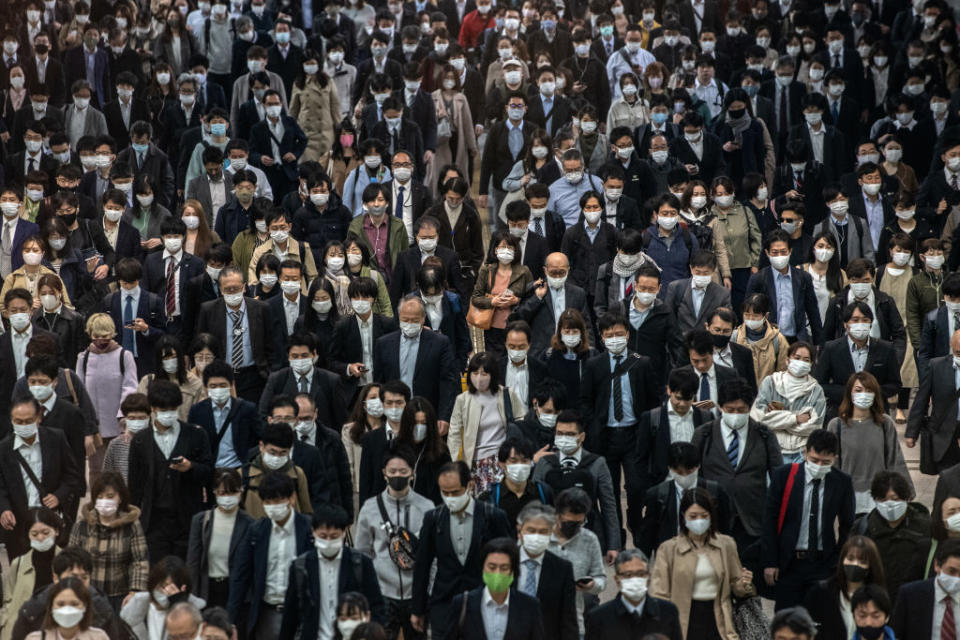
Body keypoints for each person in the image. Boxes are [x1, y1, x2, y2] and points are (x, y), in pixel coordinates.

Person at [579, 311, 658, 542]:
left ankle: (635, 521)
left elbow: (653, 399)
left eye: (619, 334)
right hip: (605, 437)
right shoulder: (594, 365)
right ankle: (616, 538)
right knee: (609, 492)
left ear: (627, 334)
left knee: (636, 487)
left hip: (634, 435)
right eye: (609, 334)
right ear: (602, 338)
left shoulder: (642, 363)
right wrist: (593, 427)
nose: (614, 338)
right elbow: (585, 400)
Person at [409, 461, 513, 636]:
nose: (450, 497)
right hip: (444, 602)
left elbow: (511, 561)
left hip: (483, 602)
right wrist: (417, 608)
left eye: (455, 492)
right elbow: (422, 565)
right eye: (445, 493)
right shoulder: (433, 519)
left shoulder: (492, 516)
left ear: (470, 485)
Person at [761, 429, 856, 610]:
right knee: (787, 619)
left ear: (835, 458)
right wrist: (770, 561)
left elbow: (848, 524)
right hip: (789, 563)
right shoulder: (784, 475)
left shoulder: (841, 482)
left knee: (820, 620)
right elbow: (770, 520)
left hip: (823, 563)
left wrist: (837, 560)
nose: (819, 465)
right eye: (814, 460)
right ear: (805, 453)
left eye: (825, 462)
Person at [651, 487, 754, 640]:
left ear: (711, 516)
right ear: (683, 517)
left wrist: (745, 583)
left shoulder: (726, 544)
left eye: (704, 516)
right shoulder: (668, 549)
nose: (699, 520)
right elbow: (659, 594)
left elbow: (737, 587)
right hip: (683, 621)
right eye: (693, 516)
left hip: (719, 620)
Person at [693, 376, 782, 552]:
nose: (735, 415)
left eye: (741, 410)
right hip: (713, 521)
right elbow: (694, 477)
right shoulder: (704, 434)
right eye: (730, 409)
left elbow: (778, 478)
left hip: (752, 522)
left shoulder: (764, 435)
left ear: (749, 408)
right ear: (720, 407)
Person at [355, 444, 433, 640]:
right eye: (392, 471)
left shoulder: (427, 508)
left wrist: (428, 591)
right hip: (383, 593)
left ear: (412, 473)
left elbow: (433, 556)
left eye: (403, 471)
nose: (397, 475)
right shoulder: (369, 508)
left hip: (416, 593)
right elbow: (362, 553)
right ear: (384, 473)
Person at [128, 380, 213, 561]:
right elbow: (135, 485)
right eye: (163, 409)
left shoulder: (196, 435)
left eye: (172, 409)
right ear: (152, 409)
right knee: (158, 574)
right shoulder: (140, 441)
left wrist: (191, 467)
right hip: (154, 520)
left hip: (187, 518)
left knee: (186, 572)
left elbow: (208, 472)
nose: (168, 414)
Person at [279, 506, 386, 639]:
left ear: (344, 532)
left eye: (334, 536)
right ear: (313, 532)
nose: (328, 541)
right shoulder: (301, 566)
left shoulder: (360, 563)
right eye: (323, 536)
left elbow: (377, 606)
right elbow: (290, 615)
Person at [227, 472, 313, 638]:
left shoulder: (308, 529)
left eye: (278, 500)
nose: (273, 506)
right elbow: (240, 576)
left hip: (301, 613)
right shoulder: (256, 531)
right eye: (268, 501)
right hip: (267, 613)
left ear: (292, 498)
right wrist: (230, 618)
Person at [0, 396, 82, 560]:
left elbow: (72, 474)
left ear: (39, 418)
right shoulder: (4, 448)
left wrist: (59, 495)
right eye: (18, 421)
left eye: (28, 420)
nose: (23, 425)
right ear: (11, 420)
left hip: (50, 519)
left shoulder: (55, 439)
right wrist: (4, 509)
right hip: (19, 523)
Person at [531, 410, 620, 558]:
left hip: (589, 533)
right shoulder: (545, 463)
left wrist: (614, 545)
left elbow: (609, 505)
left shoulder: (597, 463)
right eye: (559, 433)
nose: (564, 438)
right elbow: (534, 503)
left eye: (570, 434)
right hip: (551, 537)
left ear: (582, 437)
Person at [827, 372, 912, 515]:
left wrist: (904, 492)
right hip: (847, 496)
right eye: (858, 390)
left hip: (879, 496)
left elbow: (895, 459)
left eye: (868, 391)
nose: (863, 394)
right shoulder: (836, 426)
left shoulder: (885, 424)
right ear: (849, 393)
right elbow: (832, 466)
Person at [67, 472, 148, 612]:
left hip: (120, 597)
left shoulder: (131, 525)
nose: (105, 501)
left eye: (110, 496)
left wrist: (134, 592)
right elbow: (70, 559)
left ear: (120, 497)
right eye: (100, 497)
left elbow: (139, 561)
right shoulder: (82, 526)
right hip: (87, 595)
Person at [448, 352, 527, 493]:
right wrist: (453, 465)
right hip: (474, 463)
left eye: (484, 374)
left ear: (493, 375)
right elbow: (454, 434)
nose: (479, 378)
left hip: (503, 462)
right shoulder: (462, 400)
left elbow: (522, 422)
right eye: (475, 373)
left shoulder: (507, 395)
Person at [373, 295, 459, 424]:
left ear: (423, 319)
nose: (409, 324)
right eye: (405, 319)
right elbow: (379, 381)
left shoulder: (440, 343)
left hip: (428, 414)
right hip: (394, 414)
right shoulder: (384, 343)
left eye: (414, 320)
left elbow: (448, 382)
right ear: (399, 317)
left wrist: (444, 417)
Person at [638, 442, 734, 557]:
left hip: (708, 556)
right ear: (670, 468)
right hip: (671, 558)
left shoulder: (715, 492)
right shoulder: (657, 495)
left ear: (698, 466)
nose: (684, 476)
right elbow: (648, 535)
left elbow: (725, 528)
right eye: (679, 472)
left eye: (689, 472)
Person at [443, 537, 546, 640]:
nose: (497, 573)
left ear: (513, 571)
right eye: (492, 567)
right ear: (483, 568)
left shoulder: (530, 606)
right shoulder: (462, 603)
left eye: (504, 568)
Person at [11, 547, 121, 640]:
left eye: (84, 577)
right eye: (72, 577)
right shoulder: (33, 611)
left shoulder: (102, 610)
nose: (78, 583)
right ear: (56, 578)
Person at [853, 471, 930, 602]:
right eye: (883, 500)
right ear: (875, 500)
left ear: (905, 498)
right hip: (876, 601)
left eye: (895, 499)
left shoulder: (925, 526)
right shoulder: (863, 528)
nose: (889, 504)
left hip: (914, 600)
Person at [814, 302, 902, 417]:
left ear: (871, 323)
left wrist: (871, 393)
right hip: (841, 413)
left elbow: (895, 384)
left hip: (876, 413)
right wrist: (850, 393)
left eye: (865, 320)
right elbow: (820, 383)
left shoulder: (885, 348)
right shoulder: (832, 348)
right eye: (855, 320)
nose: (860, 324)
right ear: (846, 324)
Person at [185, 469, 253, 609]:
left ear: (241, 491)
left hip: (236, 591)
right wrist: (191, 597)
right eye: (223, 493)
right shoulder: (201, 521)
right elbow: (193, 562)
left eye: (233, 492)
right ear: (215, 492)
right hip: (208, 590)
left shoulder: (250, 523)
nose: (227, 497)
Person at [750, 342, 826, 464]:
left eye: (806, 360)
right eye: (797, 358)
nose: (801, 362)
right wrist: (794, 418)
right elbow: (758, 418)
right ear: (787, 360)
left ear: (811, 364)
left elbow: (814, 427)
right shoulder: (771, 383)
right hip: (773, 449)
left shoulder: (816, 391)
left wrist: (777, 419)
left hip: (802, 452)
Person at [803, 536, 889, 640]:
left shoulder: (878, 597)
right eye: (851, 558)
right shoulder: (820, 592)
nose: (855, 564)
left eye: (862, 561)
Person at [584, 549, 683, 640]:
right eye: (628, 575)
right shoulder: (599, 617)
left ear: (648, 577)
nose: (635, 579)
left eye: (640, 574)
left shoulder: (668, 612)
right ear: (617, 580)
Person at [470, 231, 534, 359]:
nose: (506, 251)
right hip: (492, 327)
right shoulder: (486, 270)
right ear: (495, 250)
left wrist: (517, 300)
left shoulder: (524, 272)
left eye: (509, 248)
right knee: (495, 363)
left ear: (515, 251)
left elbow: (532, 298)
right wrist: (492, 302)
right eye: (502, 247)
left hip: (516, 326)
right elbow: (476, 297)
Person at [0, 508, 62, 640]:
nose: (40, 538)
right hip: (25, 630)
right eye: (34, 534)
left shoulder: (68, 562)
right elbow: (8, 600)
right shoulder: (18, 564)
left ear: (56, 531)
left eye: (45, 532)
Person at [889, 538, 960, 640]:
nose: (957, 579)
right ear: (937, 565)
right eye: (951, 571)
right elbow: (896, 635)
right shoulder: (911, 595)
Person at [119, 556, 206, 640]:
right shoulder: (136, 609)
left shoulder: (197, 613)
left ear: (182, 589)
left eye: (170, 587)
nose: (165, 591)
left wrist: (178, 604)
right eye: (161, 586)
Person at [242, 421, 313, 518]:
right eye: (272, 452)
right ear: (261, 446)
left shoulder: (297, 475)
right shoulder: (243, 474)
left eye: (283, 453)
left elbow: (306, 510)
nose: (276, 458)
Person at [663, 250, 731, 339]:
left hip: (708, 344)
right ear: (691, 268)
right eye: (697, 272)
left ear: (713, 270)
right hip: (680, 343)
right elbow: (668, 317)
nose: (701, 276)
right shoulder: (676, 287)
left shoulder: (722, 294)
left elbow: (726, 321)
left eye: (706, 273)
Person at [23, 576, 109, 640]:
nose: (67, 610)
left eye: (74, 604)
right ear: (51, 607)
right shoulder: (35, 639)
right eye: (60, 604)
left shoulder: (99, 637)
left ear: (85, 606)